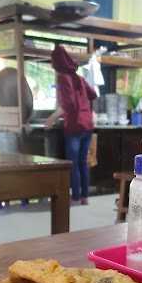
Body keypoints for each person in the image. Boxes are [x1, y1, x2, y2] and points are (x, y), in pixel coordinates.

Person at [46, 45, 97, 205]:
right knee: (83, 162)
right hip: (87, 125)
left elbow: (68, 105)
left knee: (74, 163)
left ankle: (75, 196)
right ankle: (84, 197)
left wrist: (51, 119)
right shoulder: (79, 78)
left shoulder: (63, 78)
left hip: (75, 126)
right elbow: (93, 95)